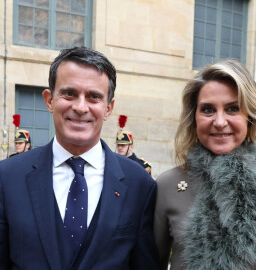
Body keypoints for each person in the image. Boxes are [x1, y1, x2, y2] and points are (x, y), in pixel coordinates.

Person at [0, 47, 159, 269]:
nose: (80, 107)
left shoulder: (139, 184)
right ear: (49, 100)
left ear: (108, 108)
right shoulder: (7, 177)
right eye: (69, 93)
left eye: (94, 97)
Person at [154, 59, 256, 270]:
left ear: (249, 116)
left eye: (232, 109)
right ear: (194, 117)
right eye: (207, 110)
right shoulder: (168, 185)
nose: (220, 122)